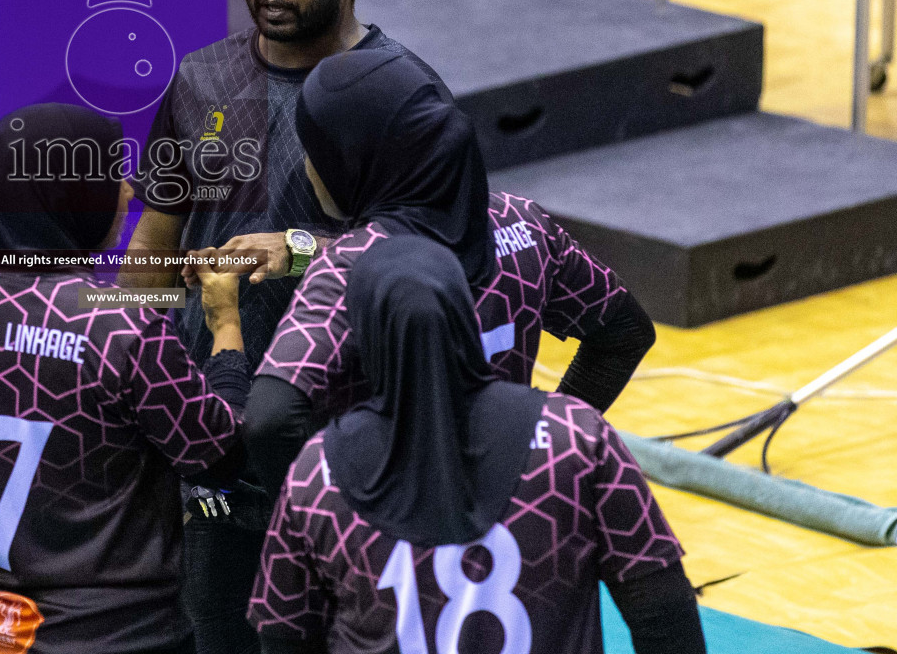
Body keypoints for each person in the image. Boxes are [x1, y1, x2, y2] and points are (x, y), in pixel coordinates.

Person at [122, 0, 441, 654]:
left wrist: (302, 249)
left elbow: (436, 263)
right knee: (212, 627)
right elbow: (156, 241)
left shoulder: (404, 97)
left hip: (341, 435)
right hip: (211, 424)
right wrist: (124, 357)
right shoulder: (201, 77)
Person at [248, 236, 706, 654]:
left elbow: (285, 641)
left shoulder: (315, 474)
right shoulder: (576, 438)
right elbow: (665, 617)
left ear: (362, 334)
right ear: (466, 316)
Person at [0, 104, 249, 654]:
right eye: (113, 174)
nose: (130, 192)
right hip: (112, 637)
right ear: (69, 194)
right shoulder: (123, 326)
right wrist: (226, 326)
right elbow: (221, 456)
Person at [247, 47, 658, 498]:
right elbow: (625, 331)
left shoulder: (349, 270)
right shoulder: (524, 225)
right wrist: (540, 445)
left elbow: (269, 421)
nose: (307, 169)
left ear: (354, 158)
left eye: (315, 152)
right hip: (511, 519)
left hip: (390, 543)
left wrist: (321, 517)